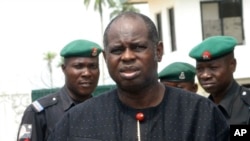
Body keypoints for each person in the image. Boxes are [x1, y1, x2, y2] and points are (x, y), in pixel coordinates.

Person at [48, 12, 229, 141]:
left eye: (138, 47)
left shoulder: (202, 114)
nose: (127, 57)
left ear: (158, 51)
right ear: (106, 58)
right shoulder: (76, 121)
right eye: (117, 50)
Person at [17, 39, 103, 141]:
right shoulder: (40, 113)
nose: (87, 73)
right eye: (78, 66)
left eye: (93, 66)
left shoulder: (104, 112)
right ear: (64, 69)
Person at [189, 35, 250, 125]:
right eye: (200, 69)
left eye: (213, 68)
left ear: (232, 65)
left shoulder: (247, 105)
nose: (205, 75)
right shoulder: (200, 109)